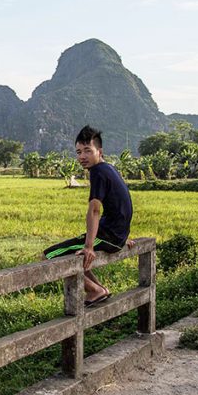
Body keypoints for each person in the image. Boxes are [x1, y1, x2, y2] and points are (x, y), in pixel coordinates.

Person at [43, 125, 133, 306]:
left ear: (99, 151)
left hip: (109, 236)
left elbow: (94, 210)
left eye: (87, 151)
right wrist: (123, 235)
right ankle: (100, 290)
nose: (82, 157)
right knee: (75, 255)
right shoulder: (109, 168)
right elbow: (121, 204)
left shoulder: (98, 172)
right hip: (115, 235)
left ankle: (95, 290)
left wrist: (89, 246)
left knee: (48, 256)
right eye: (78, 152)